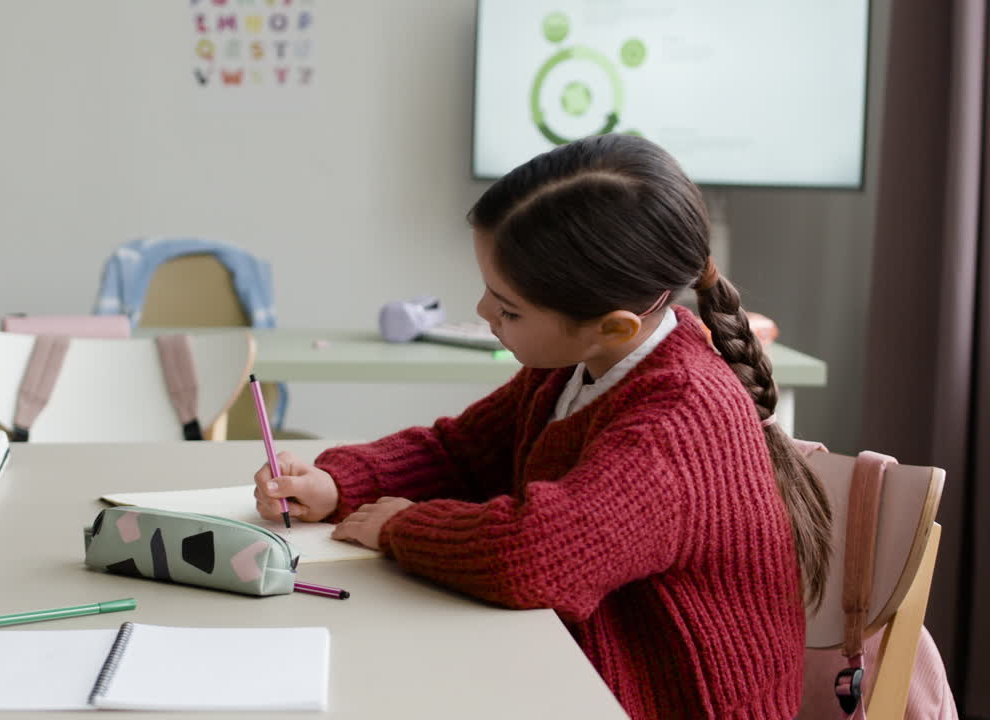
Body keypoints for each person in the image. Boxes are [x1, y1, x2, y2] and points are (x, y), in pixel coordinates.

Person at [253, 134, 831, 719]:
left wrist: (402, 526)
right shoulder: (580, 364)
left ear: (613, 326)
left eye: (508, 309)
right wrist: (341, 483)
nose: (483, 313)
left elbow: (535, 557)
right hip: (579, 665)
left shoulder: (676, 422)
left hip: (661, 700)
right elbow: (460, 453)